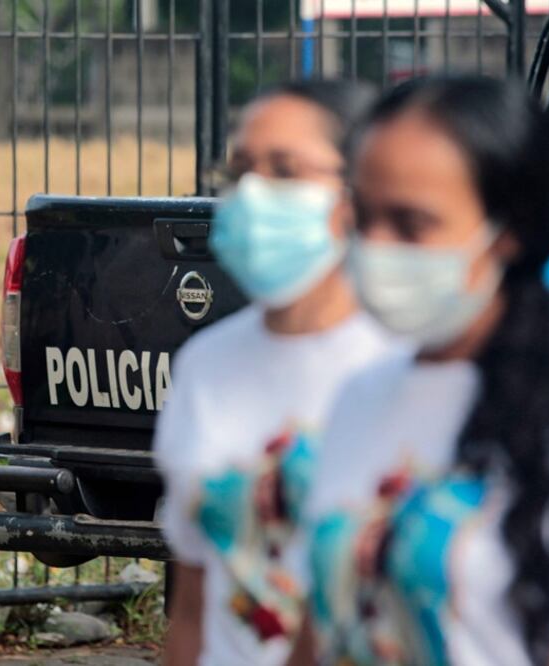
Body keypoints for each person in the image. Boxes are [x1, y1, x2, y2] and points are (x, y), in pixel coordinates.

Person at [296, 76, 549, 665]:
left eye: (411, 224)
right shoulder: (358, 396)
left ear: (509, 231)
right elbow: (320, 628)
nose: (375, 246)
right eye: (363, 217)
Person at [153, 80, 393, 666]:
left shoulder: (401, 364)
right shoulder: (205, 366)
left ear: (359, 188)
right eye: (240, 172)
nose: (254, 195)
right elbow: (193, 603)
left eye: (285, 170)